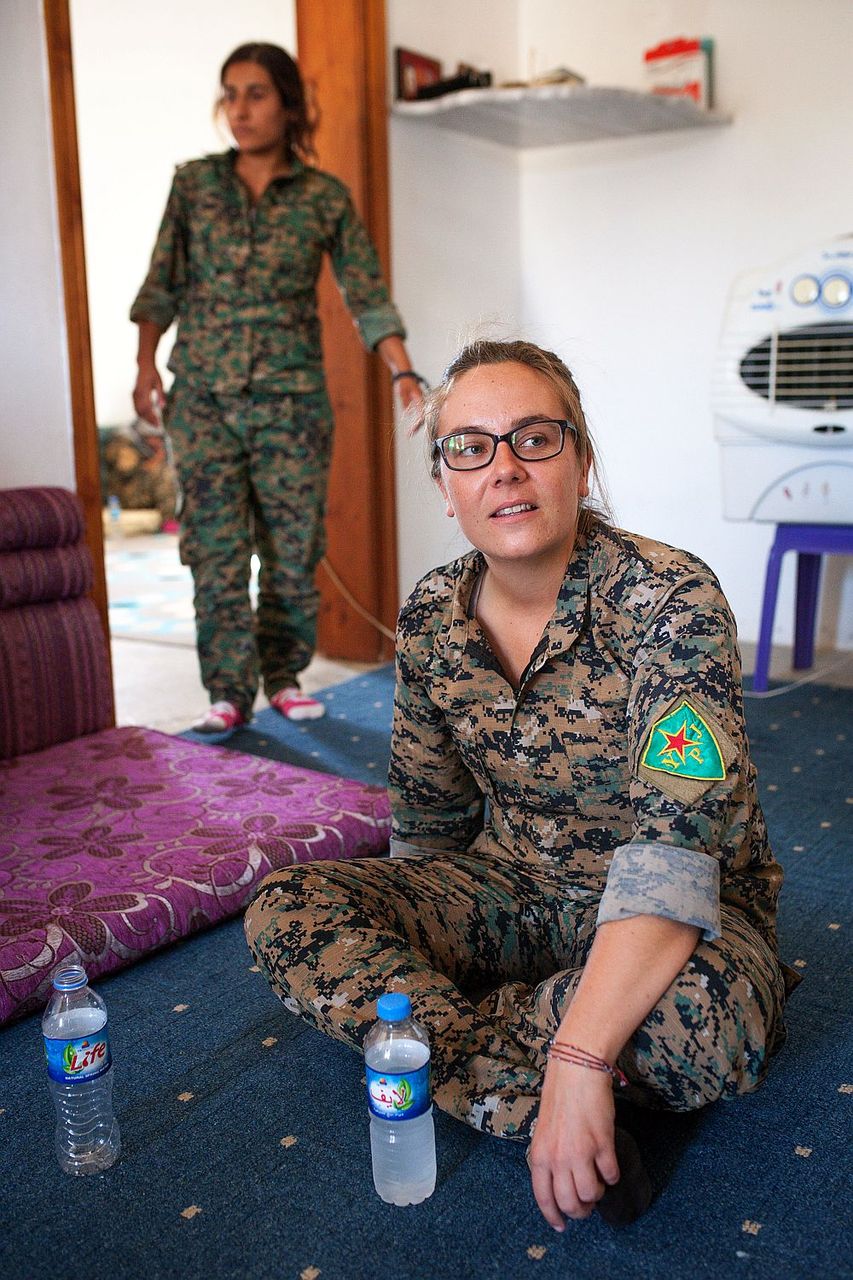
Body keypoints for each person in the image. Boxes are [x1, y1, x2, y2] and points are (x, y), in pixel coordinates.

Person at [244, 339, 795, 1229]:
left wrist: (573, 1054)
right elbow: (428, 821)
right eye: (469, 448)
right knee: (288, 908)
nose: (503, 468)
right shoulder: (431, 614)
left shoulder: (668, 598)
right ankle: (541, 1093)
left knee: (710, 1021)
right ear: (445, 485)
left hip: (677, 912)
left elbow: (674, 856)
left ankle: (477, 1045)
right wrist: (425, 937)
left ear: (581, 462)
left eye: (535, 438)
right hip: (511, 890)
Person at [130, 42, 424, 733]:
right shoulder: (194, 185)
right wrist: (145, 365)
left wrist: (403, 372)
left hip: (291, 405)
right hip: (202, 398)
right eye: (230, 93)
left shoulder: (324, 198)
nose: (239, 108)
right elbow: (160, 283)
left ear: (288, 106)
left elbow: (366, 293)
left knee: (292, 549)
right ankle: (228, 691)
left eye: (256, 93)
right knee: (215, 550)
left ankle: (285, 676)